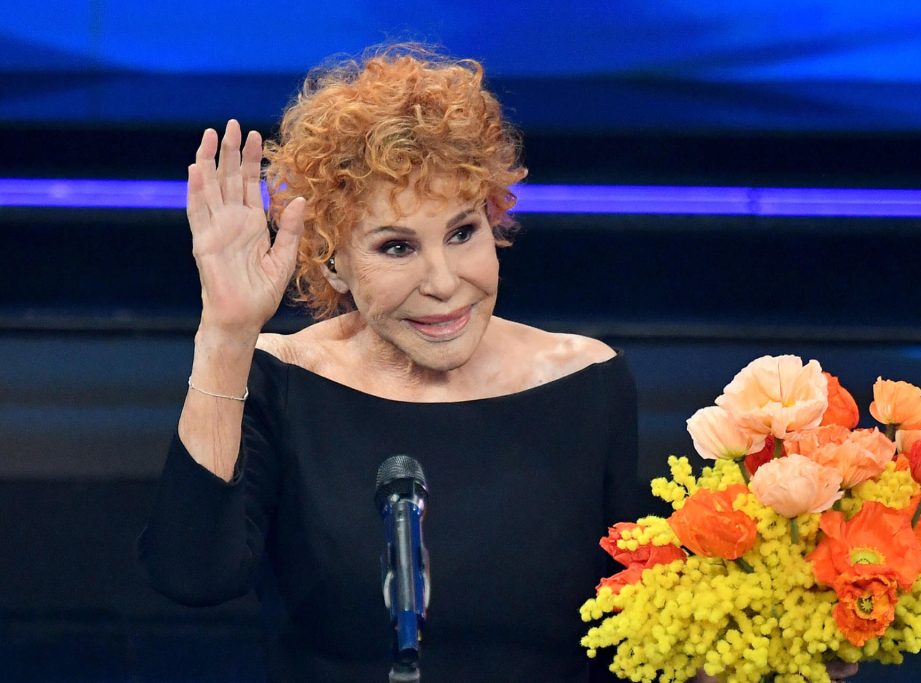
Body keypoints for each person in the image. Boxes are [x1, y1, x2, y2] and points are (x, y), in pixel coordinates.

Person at [137, 45, 639, 682]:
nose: (443, 281)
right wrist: (226, 335)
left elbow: (629, 635)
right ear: (332, 262)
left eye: (463, 232)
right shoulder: (281, 381)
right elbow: (192, 576)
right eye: (397, 246)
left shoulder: (586, 382)